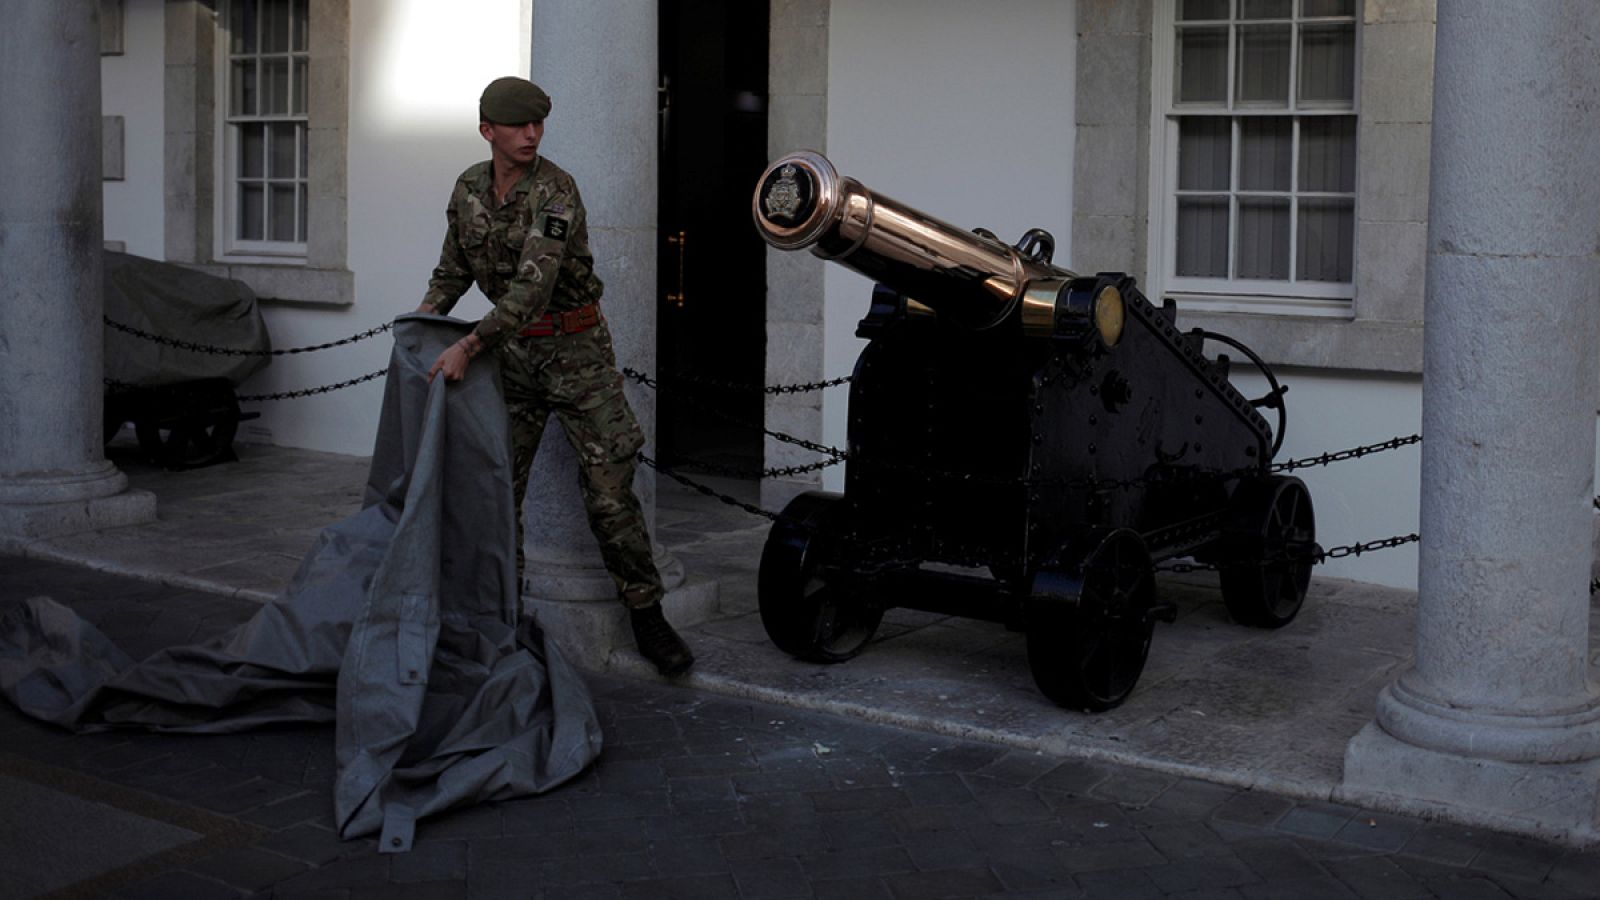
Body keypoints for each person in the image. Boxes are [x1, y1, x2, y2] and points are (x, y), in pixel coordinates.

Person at [414, 76, 693, 676]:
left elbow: (531, 289)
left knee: (610, 493)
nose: (531, 133)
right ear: (488, 130)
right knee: (496, 494)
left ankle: (646, 613)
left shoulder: (557, 190)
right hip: (513, 361)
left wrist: (468, 344)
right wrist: (423, 320)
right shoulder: (468, 189)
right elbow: (453, 270)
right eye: (518, 124)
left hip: (577, 353)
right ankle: (502, 616)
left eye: (538, 123)